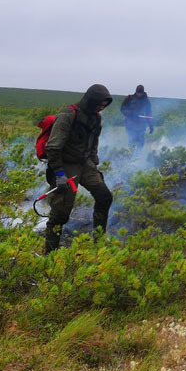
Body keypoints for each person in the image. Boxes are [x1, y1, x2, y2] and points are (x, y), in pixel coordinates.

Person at [43, 84, 115, 254]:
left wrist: (94, 160)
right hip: (65, 164)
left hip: (86, 163)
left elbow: (94, 140)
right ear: (90, 100)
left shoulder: (96, 118)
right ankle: (49, 254)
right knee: (61, 213)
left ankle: (98, 244)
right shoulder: (68, 115)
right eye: (99, 104)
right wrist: (59, 173)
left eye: (105, 105)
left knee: (104, 197)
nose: (101, 108)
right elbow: (53, 147)